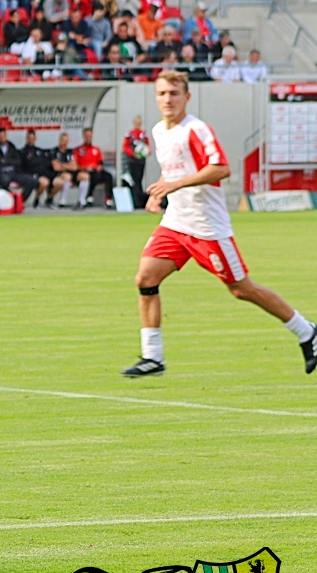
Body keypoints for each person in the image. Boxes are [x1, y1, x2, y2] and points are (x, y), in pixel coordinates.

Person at [124, 71, 317, 377]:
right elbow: (172, 171)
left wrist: (176, 185)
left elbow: (220, 168)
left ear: (187, 97)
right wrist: (159, 192)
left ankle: (306, 330)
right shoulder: (159, 131)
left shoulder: (196, 130)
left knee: (241, 289)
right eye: (162, 93)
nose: (167, 99)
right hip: (175, 223)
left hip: (207, 227)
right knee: (145, 278)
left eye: (174, 93)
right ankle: (153, 357)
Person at [72, 127, 113, 208]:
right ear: (84, 136)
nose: (88, 138)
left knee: (108, 176)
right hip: (85, 171)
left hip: (96, 170)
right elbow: (75, 164)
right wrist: (84, 168)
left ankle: (108, 199)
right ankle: (89, 196)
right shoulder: (79, 150)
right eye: (87, 136)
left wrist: (99, 167)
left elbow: (100, 162)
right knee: (93, 176)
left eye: (90, 136)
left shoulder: (96, 149)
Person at [121, 115, 149, 209]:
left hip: (141, 161)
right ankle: (135, 201)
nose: (138, 124)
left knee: (139, 180)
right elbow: (125, 147)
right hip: (131, 161)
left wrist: (146, 152)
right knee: (133, 181)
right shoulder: (129, 134)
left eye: (139, 122)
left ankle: (139, 201)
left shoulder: (143, 134)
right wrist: (133, 154)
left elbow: (148, 147)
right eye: (136, 122)